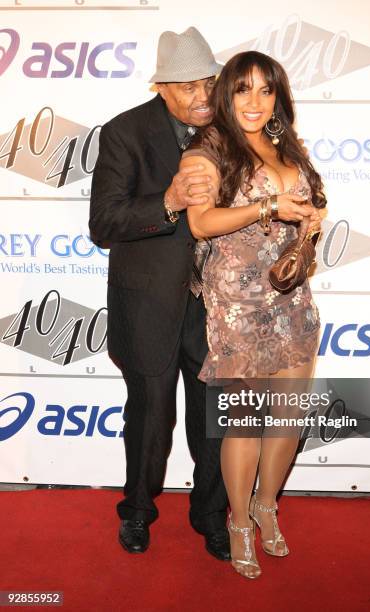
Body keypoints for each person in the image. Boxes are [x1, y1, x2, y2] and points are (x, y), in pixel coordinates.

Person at [180, 50, 326, 579]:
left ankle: (268, 505)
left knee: (286, 415)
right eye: (244, 89)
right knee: (244, 423)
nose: (255, 101)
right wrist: (269, 208)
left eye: (266, 90)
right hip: (239, 307)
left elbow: (307, 203)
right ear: (227, 94)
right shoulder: (208, 149)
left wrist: (308, 222)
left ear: (278, 97)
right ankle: (239, 521)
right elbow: (200, 223)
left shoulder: (286, 142)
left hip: (293, 302)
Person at [89, 27, 230, 561]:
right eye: (189, 86)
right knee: (150, 418)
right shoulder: (126, 132)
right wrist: (167, 201)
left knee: (214, 418)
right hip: (147, 302)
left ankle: (211, 516)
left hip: (217, 304)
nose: (202, 97)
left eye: (210, 83)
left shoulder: (231, 132)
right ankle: (138, 511)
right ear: (162, 87)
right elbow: (103, 222)